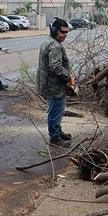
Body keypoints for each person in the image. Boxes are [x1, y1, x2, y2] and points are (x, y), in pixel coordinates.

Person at [36, 18, 73, 146]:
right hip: (54, 85)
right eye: (62, 32)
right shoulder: (55, 46)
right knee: (56, 111)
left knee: (58, 110)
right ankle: (55, 138)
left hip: (50, 83)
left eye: (66, 32)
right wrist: (68, 77)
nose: (65, 35)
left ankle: (58, 131)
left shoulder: (49, 41)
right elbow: (55, 66)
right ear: (54, 30)